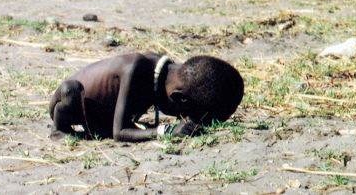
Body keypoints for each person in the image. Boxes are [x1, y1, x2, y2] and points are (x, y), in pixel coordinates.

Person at [49, 52, 244, 142]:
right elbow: (120, 132)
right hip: (72, 102)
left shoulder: (165, 72)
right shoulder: (136, 69)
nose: (181, 118)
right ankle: (59, 131)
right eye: (183, 114)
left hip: (100, 115)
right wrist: (166, 131)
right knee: (70, 92)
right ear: (178, 98)